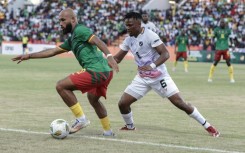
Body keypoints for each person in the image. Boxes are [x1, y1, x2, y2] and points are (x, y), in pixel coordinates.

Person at [12, 8, 119, 136]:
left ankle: (81, 120)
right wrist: (29, 56)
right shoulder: (72, 39)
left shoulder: (80, 30)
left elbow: (97, 41)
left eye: (63, 20)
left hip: (96, 71)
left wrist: (109, 56)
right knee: (93, 100)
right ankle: (108, 131)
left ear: (73, 19)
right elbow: (52, 51)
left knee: (61, 86)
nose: (60, 24)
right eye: (59, 21)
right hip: (106, 72)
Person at [113, 12, 220, 137]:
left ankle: (208, 126)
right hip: (142, 78)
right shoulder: (128, 39)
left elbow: (165, 54)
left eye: (130, 25)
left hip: (159, 76)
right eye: (126, 25)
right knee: (123, 103)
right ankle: (130, 126)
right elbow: (117, 58)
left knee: (181, 103)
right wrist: (102, 60)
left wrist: (152, 66)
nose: (127, 28)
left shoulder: (150, 35)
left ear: (138, 23)